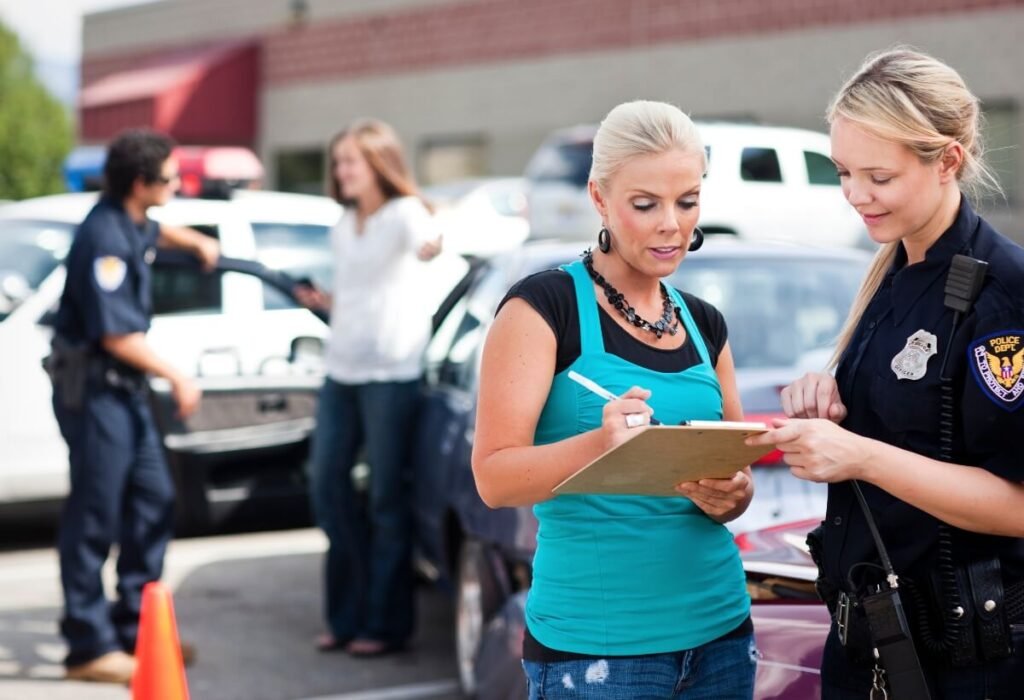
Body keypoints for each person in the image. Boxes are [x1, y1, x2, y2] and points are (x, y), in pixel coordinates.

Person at [747, 48, 1024, 698]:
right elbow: (913, 426)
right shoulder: (891, 271)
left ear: (948, 160)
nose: (854, 195)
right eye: (843, 171)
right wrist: (828, 399)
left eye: (878, 175)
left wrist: (857, 456)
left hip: (966, 666)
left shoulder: (1002, 295)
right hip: (872, 646)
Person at [472, 100, 757, 699]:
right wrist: (601, 444)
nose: (671, 225)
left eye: (688, 201)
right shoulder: (542, 307)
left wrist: (733, 494)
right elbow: (495, 479)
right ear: (600, 198)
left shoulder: (706, 323)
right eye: (645, 204)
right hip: (598, 653)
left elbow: (732, 475)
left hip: (723, 635)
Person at [49, 128, 219, 683]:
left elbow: (153, 232)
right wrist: (179, 378)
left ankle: (136, 628)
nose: (177, 185)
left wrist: (192, 240)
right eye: (170, 178)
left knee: (153, 499)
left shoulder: (133, 220)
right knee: (95, 514)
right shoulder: (104, 239)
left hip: (124, 392)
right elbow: (117, 336)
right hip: (96, 390)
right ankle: (87, 645)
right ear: (142, 183)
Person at [296, 118, 442, 657]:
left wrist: (435, 241)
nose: (341, 171)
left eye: (350, 161)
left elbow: (427, 241)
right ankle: (347, 615)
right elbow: (356, 291)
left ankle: (384, 624)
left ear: (378, 163)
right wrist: (325, 303)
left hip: (391, 373)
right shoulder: (343, 222)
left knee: (385, 497)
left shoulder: (404, 215)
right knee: (327, 488)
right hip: (342, 369)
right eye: (338, 163)